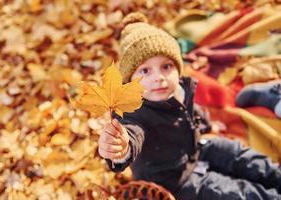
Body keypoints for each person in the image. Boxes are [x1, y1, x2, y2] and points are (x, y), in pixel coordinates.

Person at [98, 12, 281, 200]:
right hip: (174, 178)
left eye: (166, 66)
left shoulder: (179, 89)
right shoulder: (132, 113)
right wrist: (121, 148)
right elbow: (132, 133)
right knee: (233, 193)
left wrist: (208, 125)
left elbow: (193, 113)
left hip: (196, 145)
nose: (158, 77)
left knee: (238, 155)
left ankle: (276, 176)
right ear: (130, 81)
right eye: (145, 71)